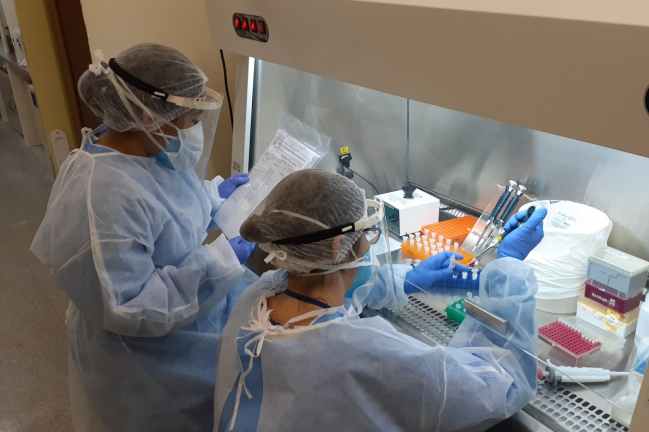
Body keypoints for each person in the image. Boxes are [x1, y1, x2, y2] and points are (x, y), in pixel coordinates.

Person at [30, 43, 258, 432]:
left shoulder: (147, 151)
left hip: (181, 333)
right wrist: (220, 261)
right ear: (150, 116)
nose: (195, 131)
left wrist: (212, 200)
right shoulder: (103, 192)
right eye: (190, 120)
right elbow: (130, 305)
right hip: (144, 362)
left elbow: (165, 213)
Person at [213, 169, 547, 431]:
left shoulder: (255, 298)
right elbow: (498, 385)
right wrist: (509, 269)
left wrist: (407, 279)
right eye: (367, 234)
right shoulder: (363, 353)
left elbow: (333, 291)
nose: (369, 245)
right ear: (338, 249)